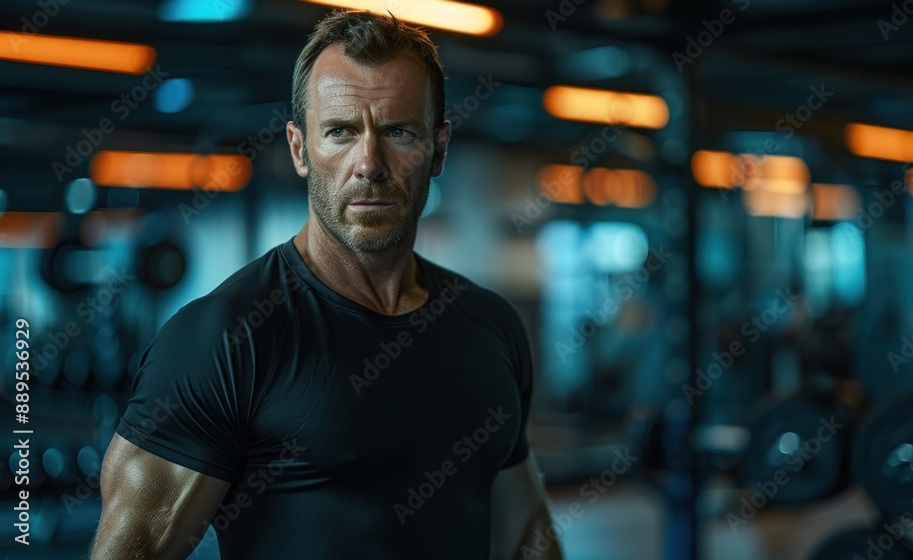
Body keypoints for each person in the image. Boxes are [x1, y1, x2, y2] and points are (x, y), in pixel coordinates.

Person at [91, 10, 562, 559]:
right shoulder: (223, 339)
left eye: (398, 131)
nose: (369, 163)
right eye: (341, 132)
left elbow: (525, 534)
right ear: (298, 148)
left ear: (438, 148)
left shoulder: (491, 326)